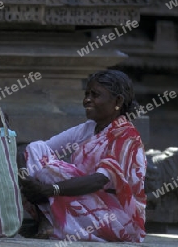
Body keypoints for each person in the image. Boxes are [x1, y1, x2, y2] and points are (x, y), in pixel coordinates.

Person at [17, 69, 146, 242]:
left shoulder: (126, 136)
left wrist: (49, 190)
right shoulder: (87, 129)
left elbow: (99, 180)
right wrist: (30, 182)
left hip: (116, 219)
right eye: (86, 94)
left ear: (118, 101)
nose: (87, 100)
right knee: (34, 149)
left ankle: (55, 224)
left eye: (95, 95)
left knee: (53, 170)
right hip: (84, 206)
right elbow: (33, 151)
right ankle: (45, 221)